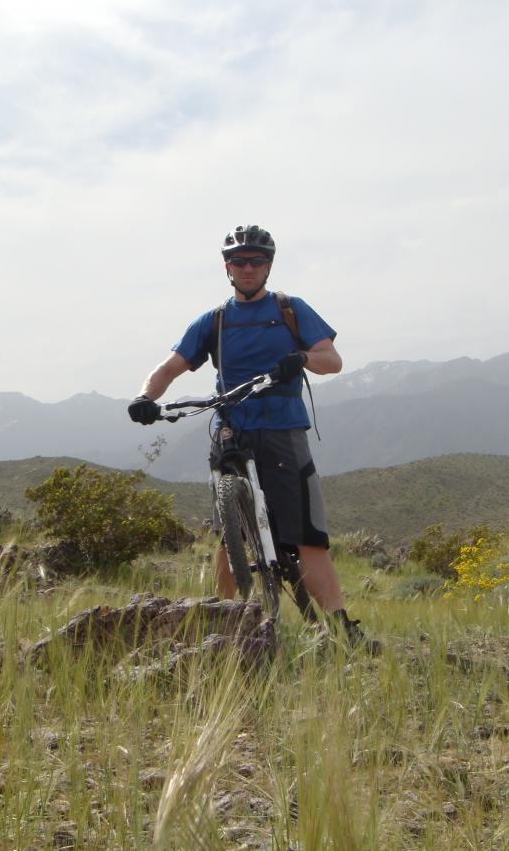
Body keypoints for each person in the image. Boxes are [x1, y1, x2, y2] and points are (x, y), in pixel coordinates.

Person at [127, 224, 366, 644]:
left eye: (257, 261)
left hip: (281, 429)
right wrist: (145, 398)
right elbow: (168, 368)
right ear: (227, 268)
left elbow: (333, 360)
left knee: (308, 536)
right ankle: (223, 622)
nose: (248, 268)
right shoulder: (215, 321)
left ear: (269, 266)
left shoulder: (290, 309)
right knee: (229, 534)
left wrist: (302, 358)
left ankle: (341, 628)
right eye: (239, 261)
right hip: (231, 427)